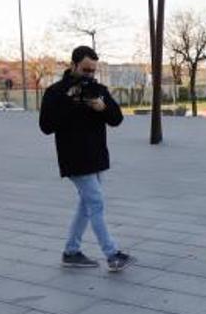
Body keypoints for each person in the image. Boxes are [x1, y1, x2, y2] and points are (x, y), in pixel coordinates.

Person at [39, 46, 135, 272]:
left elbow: (117, 119)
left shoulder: (98, 89)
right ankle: (112, 254)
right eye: (85, 70)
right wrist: (68, 101)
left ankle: (71, 252)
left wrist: (102, 108)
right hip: (74, 159)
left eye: (93, 71)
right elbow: (46, 126)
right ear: (73, 65)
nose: (89, 75)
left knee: (86, 205)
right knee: (96, 202)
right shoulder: (56, 92)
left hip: (97, 157)